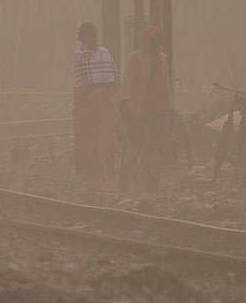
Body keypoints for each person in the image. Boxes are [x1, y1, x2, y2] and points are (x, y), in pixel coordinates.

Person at [119, 25, 174, 192]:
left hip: (159, 110)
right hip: (138, 111)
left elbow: (166, 84)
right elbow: (127, 83)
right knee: (139, 146)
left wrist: (170, 107)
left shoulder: (162, 58)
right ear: (147, 40)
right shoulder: (135, 58)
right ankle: (126, 174)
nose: (157, 44)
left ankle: (152, 183)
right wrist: (126, 106)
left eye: (159, 41)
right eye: (154, 40)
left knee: (154, 147)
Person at [72, 22, 120, 188]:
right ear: (82, 37)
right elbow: (83, 83)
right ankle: (88, 176)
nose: (94, 38)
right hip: (86, 106)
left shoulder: (104, 52)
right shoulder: (78, 55)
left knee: (107, 140)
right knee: (86, 142)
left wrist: (108, 96)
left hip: (104, 106)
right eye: (90, 35)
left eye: (95, 34)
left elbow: (112, 78)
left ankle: (108, 175)